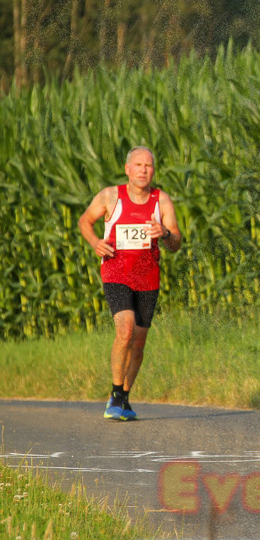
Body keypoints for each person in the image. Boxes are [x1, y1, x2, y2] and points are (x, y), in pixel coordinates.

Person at [78, 146, 181, 421]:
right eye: (138, 165)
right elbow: (85, 221)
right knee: (125, 330)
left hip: (148, 278)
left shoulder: (162, 201)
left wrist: (166, 232)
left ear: (153, 171)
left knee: (138, 344)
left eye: (148, 166)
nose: (143, 170)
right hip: (116, 273)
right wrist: (95, 243)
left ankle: (124, 396)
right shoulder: (111, 196)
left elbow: (176, 244)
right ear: (127, 169)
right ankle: (115, 394)